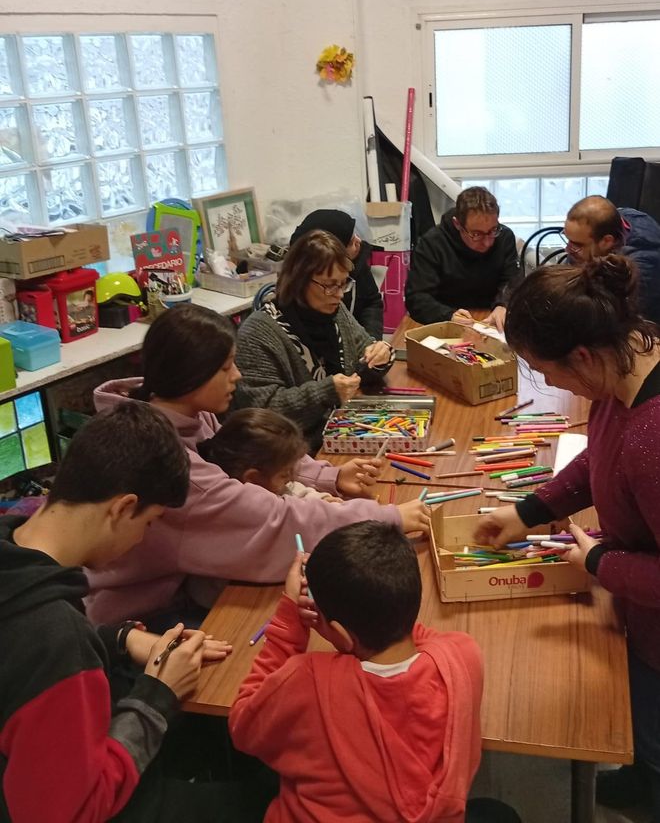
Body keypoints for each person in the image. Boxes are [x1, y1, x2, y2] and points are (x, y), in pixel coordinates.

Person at [0, 401, 266, 823]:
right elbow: (72, 811)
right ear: (123, 508)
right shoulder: (55, 642)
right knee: (261, 798)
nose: (143, 539)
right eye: (149, 522)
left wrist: (120, 638)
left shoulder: (16, 553)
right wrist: (158, 693)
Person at [87, 303, 430, 626]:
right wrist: (389, 518)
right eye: (225, 368)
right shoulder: (171, 464)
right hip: (142, 614)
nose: (237, 376)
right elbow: (275, 521)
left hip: (181, 583)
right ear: (189, 375)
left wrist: (330, 476)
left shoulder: (177, 410)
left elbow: (249, 455)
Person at [475, 255, 660, 821]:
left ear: (581, 355)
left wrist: (600, 561)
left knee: (652, 728)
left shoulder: (653, 439)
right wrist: (527, 511)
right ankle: (641, 776)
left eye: (545, 371)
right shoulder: (619, 371)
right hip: (640, 613)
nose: (550, 383)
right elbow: (597, 462)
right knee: (642, 726)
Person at [230, 520, 521, 823]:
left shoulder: (307, 680)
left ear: (342, 634)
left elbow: (243, 726)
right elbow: (419, 635)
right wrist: (381, 613)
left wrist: (290, 621)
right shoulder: (463, 656)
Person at [234, 230, 395, 451]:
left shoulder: (333, 311)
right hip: (294, 453)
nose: (339, 294)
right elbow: (263, 412)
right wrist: (326, 392)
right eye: (329, 285)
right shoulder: (259, 333)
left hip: (341, 431)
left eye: (343, 284)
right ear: (299, 280)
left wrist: (381, 353)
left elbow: (363, 356)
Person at [405, 186, 520, 332]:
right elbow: (417, 297)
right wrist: (448, 315)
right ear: (457, 224)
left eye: (492, 231)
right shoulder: (432, 243)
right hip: (447, 322)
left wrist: (503, 305)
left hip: (492, 319)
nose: (487, 242)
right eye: (477, 234)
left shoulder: (504, 237)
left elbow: (513, 281)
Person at [198, 407, 342, 502]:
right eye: (285, 474)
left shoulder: (272, 484)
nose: (290, 479)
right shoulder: (250, 508)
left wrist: (321, 499)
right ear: (253, 478)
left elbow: (293, 489)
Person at [563, 194, 660, 324]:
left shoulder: (639, 271)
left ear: (607, 241)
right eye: (568, 239)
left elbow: (610, 323)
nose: (567, 249)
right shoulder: (621, 217)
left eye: (578, 244)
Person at [291, 208, 383, 339]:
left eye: (344, 284)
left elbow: (371, 301)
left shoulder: (357, 261)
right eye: (331, 286)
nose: (359, 241)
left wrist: (373, 343)